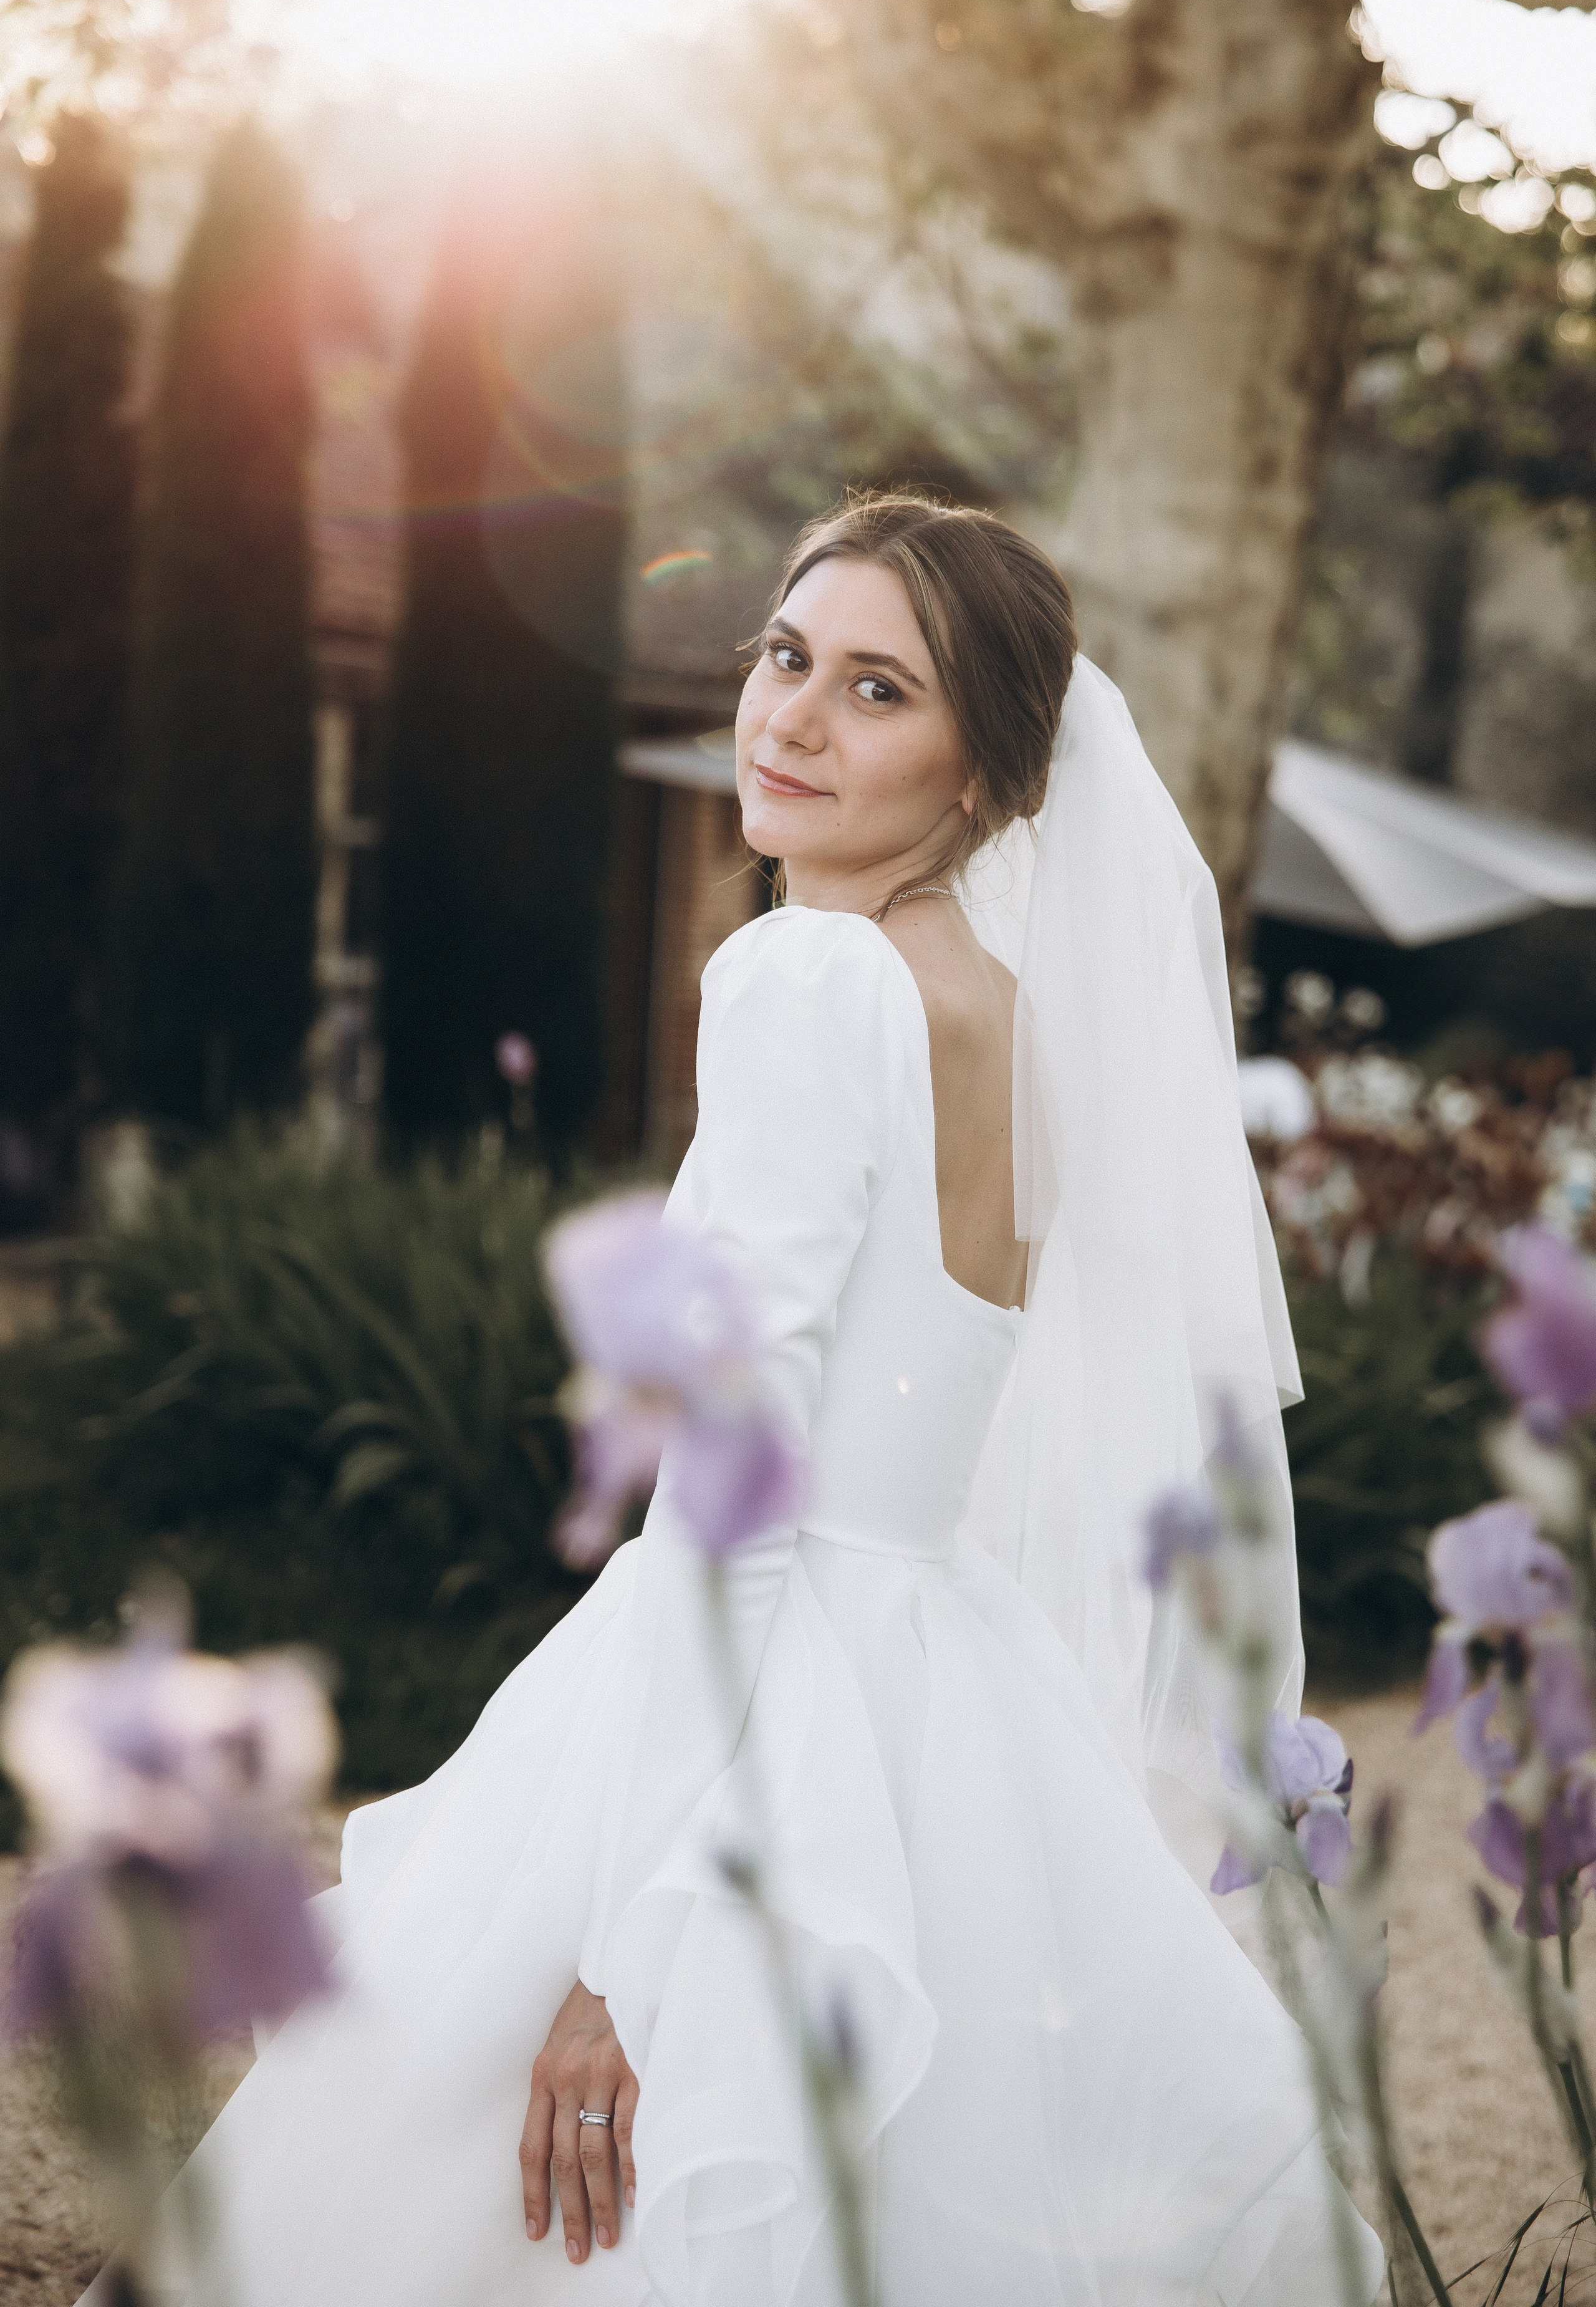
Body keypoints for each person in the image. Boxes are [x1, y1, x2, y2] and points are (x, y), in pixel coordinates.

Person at [117, 494, 1382, 2306]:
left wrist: (623, 1960)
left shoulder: (807, 979)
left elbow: (742, 1491)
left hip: (744, 1695)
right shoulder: (1011, 1021)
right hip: (946, 1687)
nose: (790, 719)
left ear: (982, 781)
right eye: (787, 657)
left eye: (878, 691)